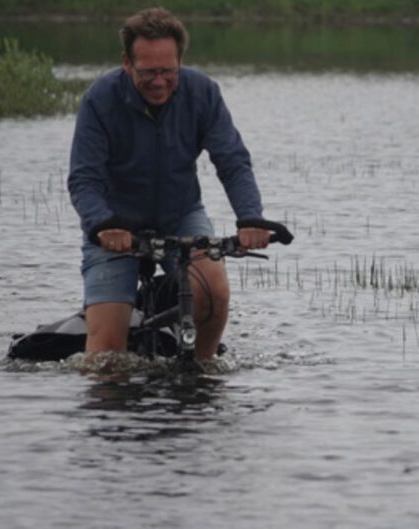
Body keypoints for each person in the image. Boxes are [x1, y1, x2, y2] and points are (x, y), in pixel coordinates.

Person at [67, 7, 270, 364]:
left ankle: (201, 373)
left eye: (168, 71)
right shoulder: (99, 100)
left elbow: (232, 161)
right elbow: (84, 180)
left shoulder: (203, 93)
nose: (159, 81)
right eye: (148, 72)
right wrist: (104, 225)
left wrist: (250, 218)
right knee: (105, 359)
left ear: (180, 62)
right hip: (114, 226)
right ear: (127, 63)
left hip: (181, 216)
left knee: (216, 290)